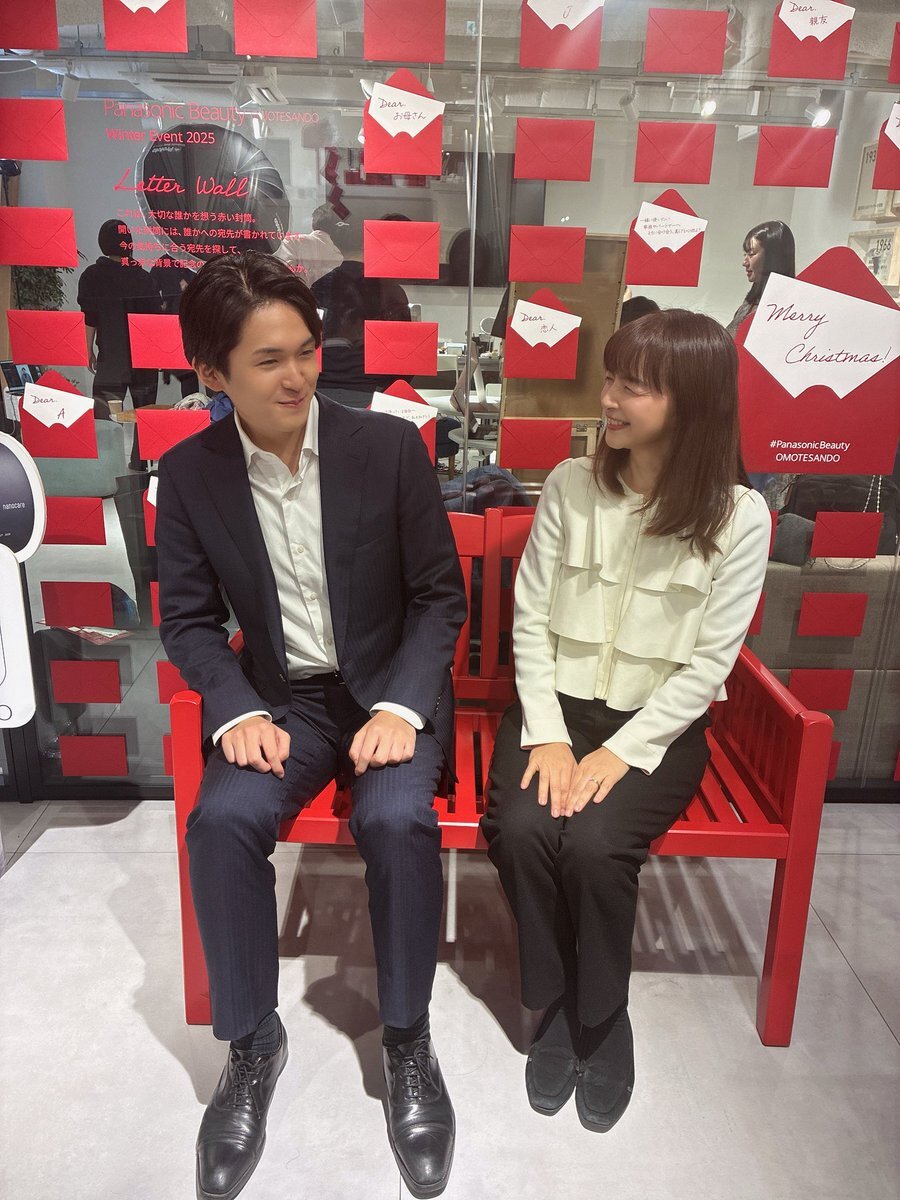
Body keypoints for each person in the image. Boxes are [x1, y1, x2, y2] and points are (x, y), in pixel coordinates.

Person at [155, 252, 466, 1200]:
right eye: (267, 360)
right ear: (213, 372)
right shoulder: (191, 473)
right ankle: (253, 1042)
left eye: (306, 351)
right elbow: (188, 621)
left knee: (397, 820)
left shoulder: (389, 448)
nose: (296, 376)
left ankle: (407, 1038)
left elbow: (438, 597)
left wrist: (405, 706)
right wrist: (234, 704)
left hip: (387, 694)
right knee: (220, 821)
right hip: (278, 699)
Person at [481, 309, 770, 1134]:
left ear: (693, 402)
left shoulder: (739, 516)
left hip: (659, 729)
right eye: (611, 378)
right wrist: (547, 732)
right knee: (523, 830)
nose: (609, 399)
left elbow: (708, 666)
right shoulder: (572, 485)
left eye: (634, 387)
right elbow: (530, 619)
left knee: (598, 844)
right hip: (558, 709)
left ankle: (603, 1017)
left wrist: (623, 752)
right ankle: (561, 998)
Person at [76, 219, 161, 466]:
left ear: (102, 243)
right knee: (144, 415)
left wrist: (87, 350)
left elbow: (89, 317)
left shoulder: (92, 276)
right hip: (144, 358)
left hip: (111, 359)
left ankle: (108, 467)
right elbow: (154, 321)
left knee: (105, 419)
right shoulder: (144, 278)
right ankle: (140, 465)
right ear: (129, 244)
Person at [311, 213, 413, 406]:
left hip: (320, 392)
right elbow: (403, 359)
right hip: (372, 392)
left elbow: (305, 344)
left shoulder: (320, 285)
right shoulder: (389, 291)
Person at [726, 220, 795, 337]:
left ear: (772, 257)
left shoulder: (787, 313)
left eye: (751, 254)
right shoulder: (749, 303)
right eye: (745, 255)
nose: (744, 262)